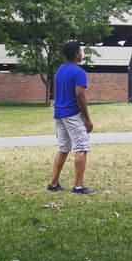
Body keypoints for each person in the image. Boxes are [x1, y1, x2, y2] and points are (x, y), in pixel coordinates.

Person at [49, 40, 95, 195]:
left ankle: (53, 184)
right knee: (81, 148)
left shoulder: (60, 71)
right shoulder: (79, 72)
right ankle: (78, 186)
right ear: (77, 54)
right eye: (80, 51)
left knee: (63, 148)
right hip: (72, 115)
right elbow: (80, 95)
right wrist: (87, 120)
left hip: (59, 114)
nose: (81, 54)